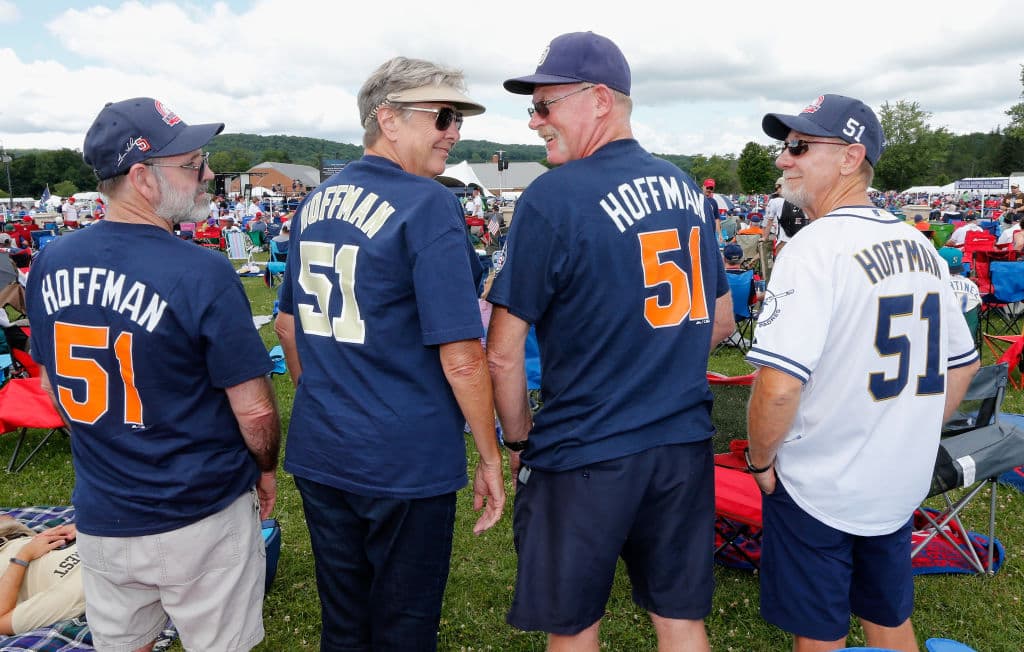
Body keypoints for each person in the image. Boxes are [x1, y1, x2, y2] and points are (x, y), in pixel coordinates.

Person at [487, 31, 733, 652]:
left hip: (584, 448)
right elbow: (723, 321)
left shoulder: (553, 196)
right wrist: (658, 369)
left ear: (600, 99)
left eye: (546, 105)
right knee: (680, 621)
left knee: (572, 629)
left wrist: (517, 439)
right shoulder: (685, 188)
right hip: (681, 441)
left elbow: (503, 349)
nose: (534, 121)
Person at [25, 97, 281, 652]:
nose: (208, 174)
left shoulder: (51, 261)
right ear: (141, 177)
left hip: (103, 510)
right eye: (192, 165)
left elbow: (51, 386)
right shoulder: (202, 269)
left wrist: (113, 445)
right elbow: (255, 408)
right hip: (200, 508)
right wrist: (265, 469)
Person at [273, 57, 504, 651]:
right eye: (443, 116)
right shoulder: (428, 205)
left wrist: (326, 395)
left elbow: (287, 326)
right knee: (403, 627)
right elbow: (461, 355)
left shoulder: (314, 202)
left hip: (326, 445)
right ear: (389, 120)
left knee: (345, 621)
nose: (455, 132)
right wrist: (489, 454)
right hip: (404, 456)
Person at [746, 93, 979, 652]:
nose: (784, 159)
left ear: (851, 158)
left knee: (820, 633)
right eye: (785, 146)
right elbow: (965, 363)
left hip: (820, 482)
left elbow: (778, 387)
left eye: (800, 146)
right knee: (887, 617)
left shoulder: (814, 248)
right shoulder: (917, 242)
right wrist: (907, 433)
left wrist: (759, 460)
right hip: (894, 481)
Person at [0, 517, 85, 635]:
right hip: (16, 532)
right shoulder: (109, 540)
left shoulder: (76, 592)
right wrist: (86, 529)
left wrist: (24, 556)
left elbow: (1, 623)